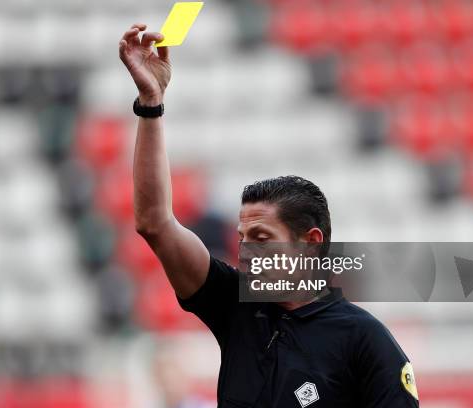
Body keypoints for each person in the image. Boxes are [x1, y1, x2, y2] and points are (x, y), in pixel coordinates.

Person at [119, 23, 420, 408]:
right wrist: (150, 103)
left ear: (310, 243)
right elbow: (154, 223)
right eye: (243, 239)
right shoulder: (234, 305)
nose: (246, 252)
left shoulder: (363, 339)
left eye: (261, 238)